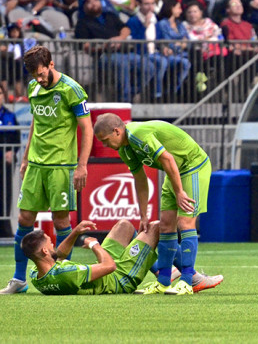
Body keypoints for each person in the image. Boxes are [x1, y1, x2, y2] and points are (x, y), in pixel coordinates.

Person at [0, 45, 93, 294]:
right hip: (36, 165)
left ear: (51, 64)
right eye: (34, 76)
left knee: (61, 220)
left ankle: (62, 273)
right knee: (24, 219)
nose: (39, 79)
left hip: (61, 166)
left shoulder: (71, 89)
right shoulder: (33, 88)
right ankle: (19, 280)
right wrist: (26, 157)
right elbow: (35, 123)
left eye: (41, 74)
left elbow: (87, 129)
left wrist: (81, 166)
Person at [93, 114, 214, 295]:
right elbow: (140, 179)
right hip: (173, 171)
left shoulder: (138, 134)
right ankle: (164, 281)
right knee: (165, 225)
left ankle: (188, 281)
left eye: (105, 140)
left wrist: (180, 192)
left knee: (185, 222)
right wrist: (143, 215)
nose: (105, 145)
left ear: (116, 131)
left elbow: (168, 159)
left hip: (192, 166)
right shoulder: (125, 149)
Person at [22, 219, 159, 294]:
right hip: (119, 279)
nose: (53, 243)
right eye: (50, 242)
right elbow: (110, 266)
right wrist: (94, 245)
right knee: (155, 227)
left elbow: (60, 255)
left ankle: (158, 269)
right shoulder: (66, 274)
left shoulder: (36, 274)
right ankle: (165, 275)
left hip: (104, 268)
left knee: (124, 225)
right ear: (45, 251)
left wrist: (75, 232)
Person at [74, 0, 155, 102]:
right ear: (84, 6)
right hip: (104, 56)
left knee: (148, 66)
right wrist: (106, 45)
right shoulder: (82, 23)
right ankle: (124, 100)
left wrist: (120, 38)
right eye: (89, 2)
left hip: (123, 52)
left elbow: (126, 29)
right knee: (122, 64)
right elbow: (85, 46)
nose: (93, 3)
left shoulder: (110, 16)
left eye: (96, 0)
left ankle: (130, 93)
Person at [128, 0, 191, 99]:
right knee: (162, 62)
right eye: (146, 4)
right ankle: (157, 94)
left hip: (157, 53)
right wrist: (145, 26)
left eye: (152, 4)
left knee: (184, 63)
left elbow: (159, 40)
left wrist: (163, 47)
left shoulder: (156, 19)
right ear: (139, 5)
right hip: (141, 53)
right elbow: (135, 41)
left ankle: (172, 92)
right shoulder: (133, 20)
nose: (150, 7)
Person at [0, 85, 19, 238]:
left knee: (5, 194)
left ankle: (5, 230)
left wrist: (11, 152)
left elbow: (17, 139)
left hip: (5, 163)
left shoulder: (10, 116)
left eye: (0, 93)